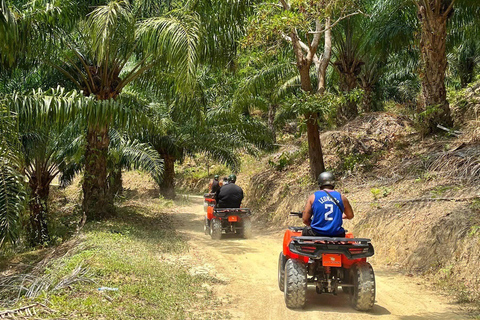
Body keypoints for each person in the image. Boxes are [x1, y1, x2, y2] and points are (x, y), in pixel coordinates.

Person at [301, 172, 354, 237]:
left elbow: (305, 219)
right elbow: (350, 215)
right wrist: (342, 216)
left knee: (305, 231)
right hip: (337, 234)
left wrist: (313, 224)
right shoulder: (342, 198)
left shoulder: (313, 197)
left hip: (317, 233)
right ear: (333, 183)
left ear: (320, 183)